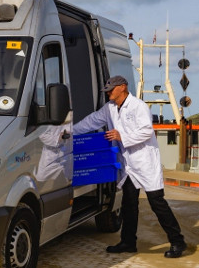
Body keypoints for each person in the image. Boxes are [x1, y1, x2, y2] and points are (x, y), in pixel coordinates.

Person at [74, 75, 187, 258]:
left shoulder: (138, 106)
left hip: (145, 162)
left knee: (157, 203)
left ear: (123, 87)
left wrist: (122, 136)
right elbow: (91, 121)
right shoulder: (110, 108)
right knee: (128, 203)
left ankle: (178, 241)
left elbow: (146, 131)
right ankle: (128, 242)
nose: (108, 93)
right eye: (107, 90)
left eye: (111, 89)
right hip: (128, 165)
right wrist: (70, 132)